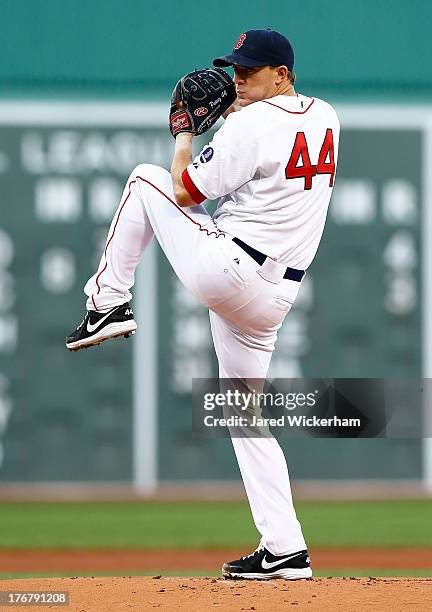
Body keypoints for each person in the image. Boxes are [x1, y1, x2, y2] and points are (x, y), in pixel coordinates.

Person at [66, 28, 339, 580]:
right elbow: (269, 160)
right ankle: (286, 549)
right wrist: (237, 113)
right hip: (274, 298)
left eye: (251, 70)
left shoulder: (250, 124)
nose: (239, 77)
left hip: (231, 270)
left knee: (146, 181)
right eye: (236, 68)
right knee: (245, 414)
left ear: (282, 74)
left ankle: (107, 301)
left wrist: (188, 133)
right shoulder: (326, 116)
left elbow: (186, 189)